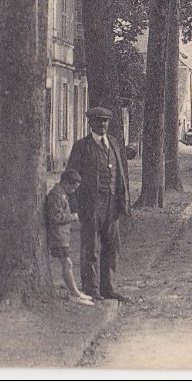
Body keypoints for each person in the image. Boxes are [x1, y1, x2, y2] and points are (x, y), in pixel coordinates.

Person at [66, 107, 131, 302]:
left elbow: (120, 173)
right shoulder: (81, 147)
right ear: (90, 124)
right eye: (98, 121)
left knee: (111, 246)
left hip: (112, 204)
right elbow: (70, 178)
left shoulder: (113, 143)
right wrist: (75, 207)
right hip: (91, 206)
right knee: (90, 247)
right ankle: (91, 288)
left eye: (105, 121)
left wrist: (123, 199)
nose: (101, 125)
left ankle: (108, 288)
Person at [46, 169, 95, 306]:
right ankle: (75, 293)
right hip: (58, 237)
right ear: (66, 183)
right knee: (67, 263)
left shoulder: (61, 194)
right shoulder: (56, 196)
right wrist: (71, 217)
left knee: (67, 263)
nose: (74, 190)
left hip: (62, 236)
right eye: (73, 187)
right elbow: (54, 217)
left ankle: (76, 292)